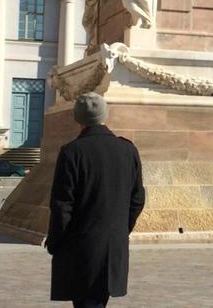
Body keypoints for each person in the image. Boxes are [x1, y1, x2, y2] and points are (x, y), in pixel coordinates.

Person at [45, 92, 146, 308]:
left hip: (81, 248)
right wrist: (120, 229)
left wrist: (55, 242)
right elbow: (137, 199)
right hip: (114, 247)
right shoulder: (127, 150)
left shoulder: (72, 152)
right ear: (105, 115)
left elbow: (62, 205)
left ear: (77, 118)